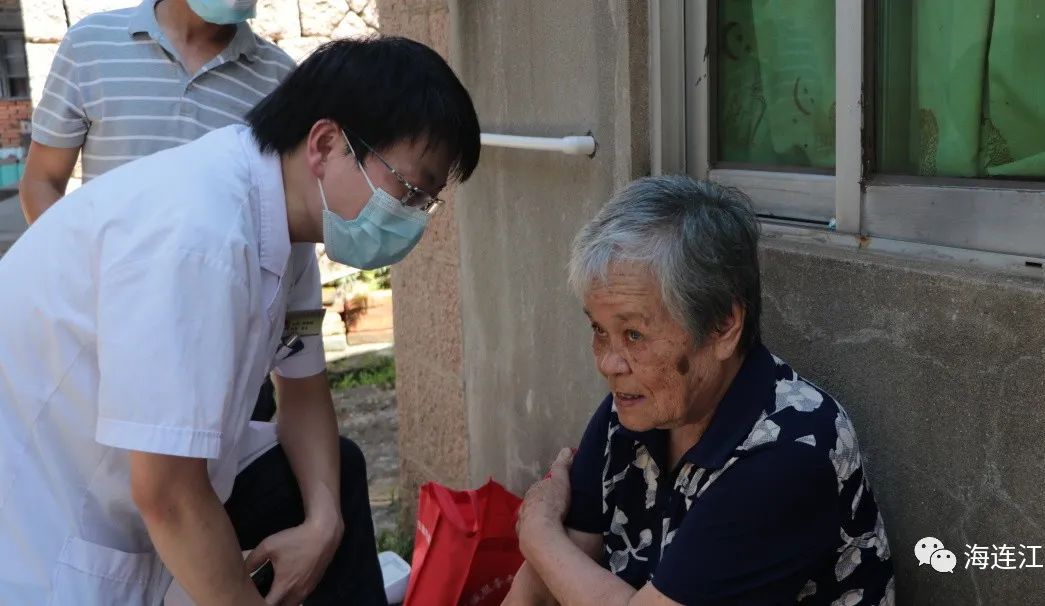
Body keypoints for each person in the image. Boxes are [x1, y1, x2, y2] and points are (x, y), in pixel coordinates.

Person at [0, 35, 481, 606]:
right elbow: (167, 495)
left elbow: (302, 388)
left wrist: (323, 525)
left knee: (335, 476)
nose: (411, 219)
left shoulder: (287, 217)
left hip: (146, 480)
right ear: (326, 143)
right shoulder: (198, 236)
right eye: (407, 188)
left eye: (425, 202)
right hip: (52, 522)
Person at [505, 176, 895, 605]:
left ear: (723, 326)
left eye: (634, 334)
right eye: (599, 330)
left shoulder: (789, 454)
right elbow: (541, 586)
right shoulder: (637, 409)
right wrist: (545, 551)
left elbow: (555, 557)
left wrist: (538, 533)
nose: (608, 364)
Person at [19, 0, 297, 422]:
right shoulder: (90, 46)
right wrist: (86, 283)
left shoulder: (279, 78)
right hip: (108, 349)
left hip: (224, 353)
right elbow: (42, 182)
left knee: (233, 484)